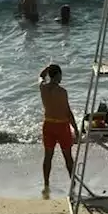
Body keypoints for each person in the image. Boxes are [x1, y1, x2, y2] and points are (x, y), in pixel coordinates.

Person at [39, 64, 76, 195]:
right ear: (58, 75)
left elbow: (40, 77)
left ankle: (46, 183)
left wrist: (47, 69)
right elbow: (68, 112)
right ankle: (73, 183)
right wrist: (76, 129)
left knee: (48, 156)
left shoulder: (42, 88)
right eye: (61, 75)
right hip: (62, 126)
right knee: (68, 157)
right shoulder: (62, 92)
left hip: (48, 125)